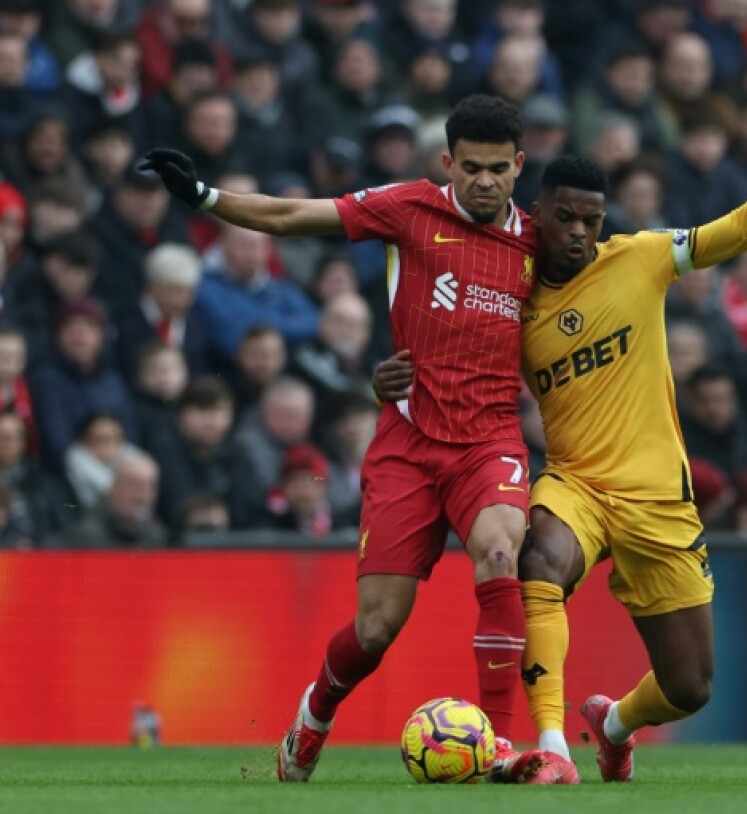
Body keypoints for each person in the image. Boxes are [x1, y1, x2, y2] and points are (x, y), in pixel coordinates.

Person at [375, 143, 747, 783]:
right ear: (539, 213)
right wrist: (386, 381)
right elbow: (443, 353)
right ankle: (552, 746)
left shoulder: (640, 259)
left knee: (690, 687)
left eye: (593, 220)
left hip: (660, 500)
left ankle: (613, 725)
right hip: (576, 484)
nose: (581, 232)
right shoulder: (511, 297)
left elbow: (737, 229)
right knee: (538, 561)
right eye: (567, 218)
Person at [139, 94, 541, 781]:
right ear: (448, 163)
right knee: (377, 630)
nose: (484, 182)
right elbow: (295, 215)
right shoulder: (409, 207)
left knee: (501, 550)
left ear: (518, 166)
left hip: (490, 440)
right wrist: (205, 198)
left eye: (498, 169)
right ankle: (315, 714)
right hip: (408, 444)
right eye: (470, 167)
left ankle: (500, 746)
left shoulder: (539, 241)